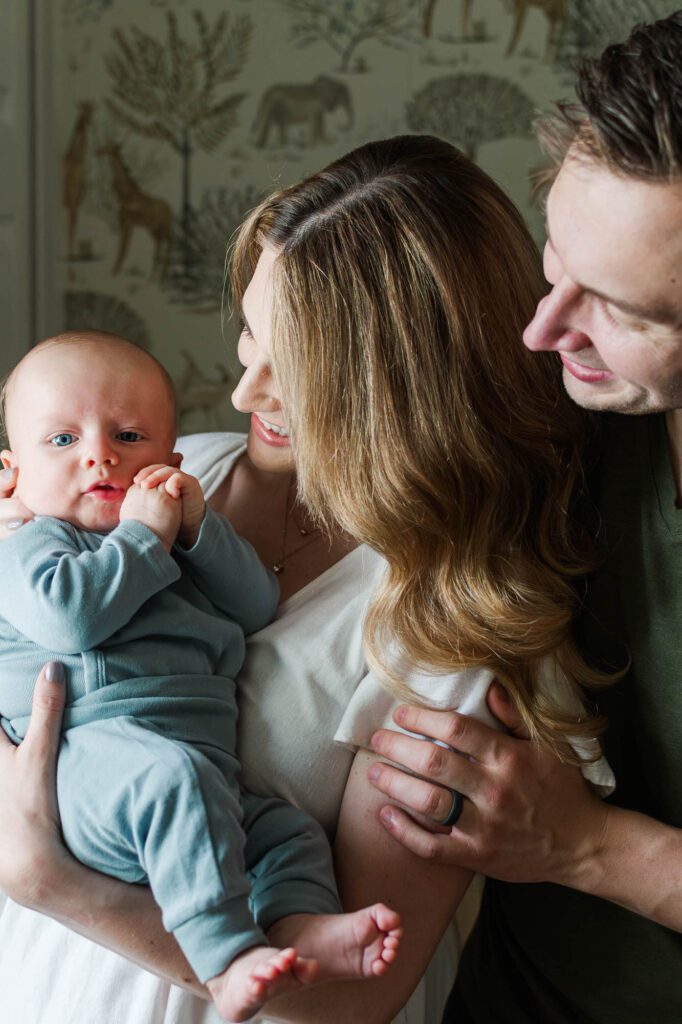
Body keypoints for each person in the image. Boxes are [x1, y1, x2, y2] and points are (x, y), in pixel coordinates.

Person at [0, 135, 606, 1024]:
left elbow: (360, 998)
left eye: (298, 368)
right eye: (251, 333)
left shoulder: (450, 621)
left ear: (405, 386)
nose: (245, 392)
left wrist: (55, 883)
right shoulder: (168, 477)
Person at [368, 13, 682, 1023]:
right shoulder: (576, 409)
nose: (543, 332)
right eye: (558, 255)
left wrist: (588, 846)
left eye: (627, 312)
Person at [0, 332, 402, 1023]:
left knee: (288, 833)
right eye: (62, 441)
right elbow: (73, 621)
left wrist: (194, 529)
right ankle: (225, 958)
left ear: (172, 461)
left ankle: (299, 924)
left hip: (192, 770)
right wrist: (143, 539)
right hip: (92, 763)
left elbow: (254, 605)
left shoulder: (172, 538)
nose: (100, 454)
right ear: (10, 476)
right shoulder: (31, 545)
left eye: (129, 435)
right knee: (174, 782)